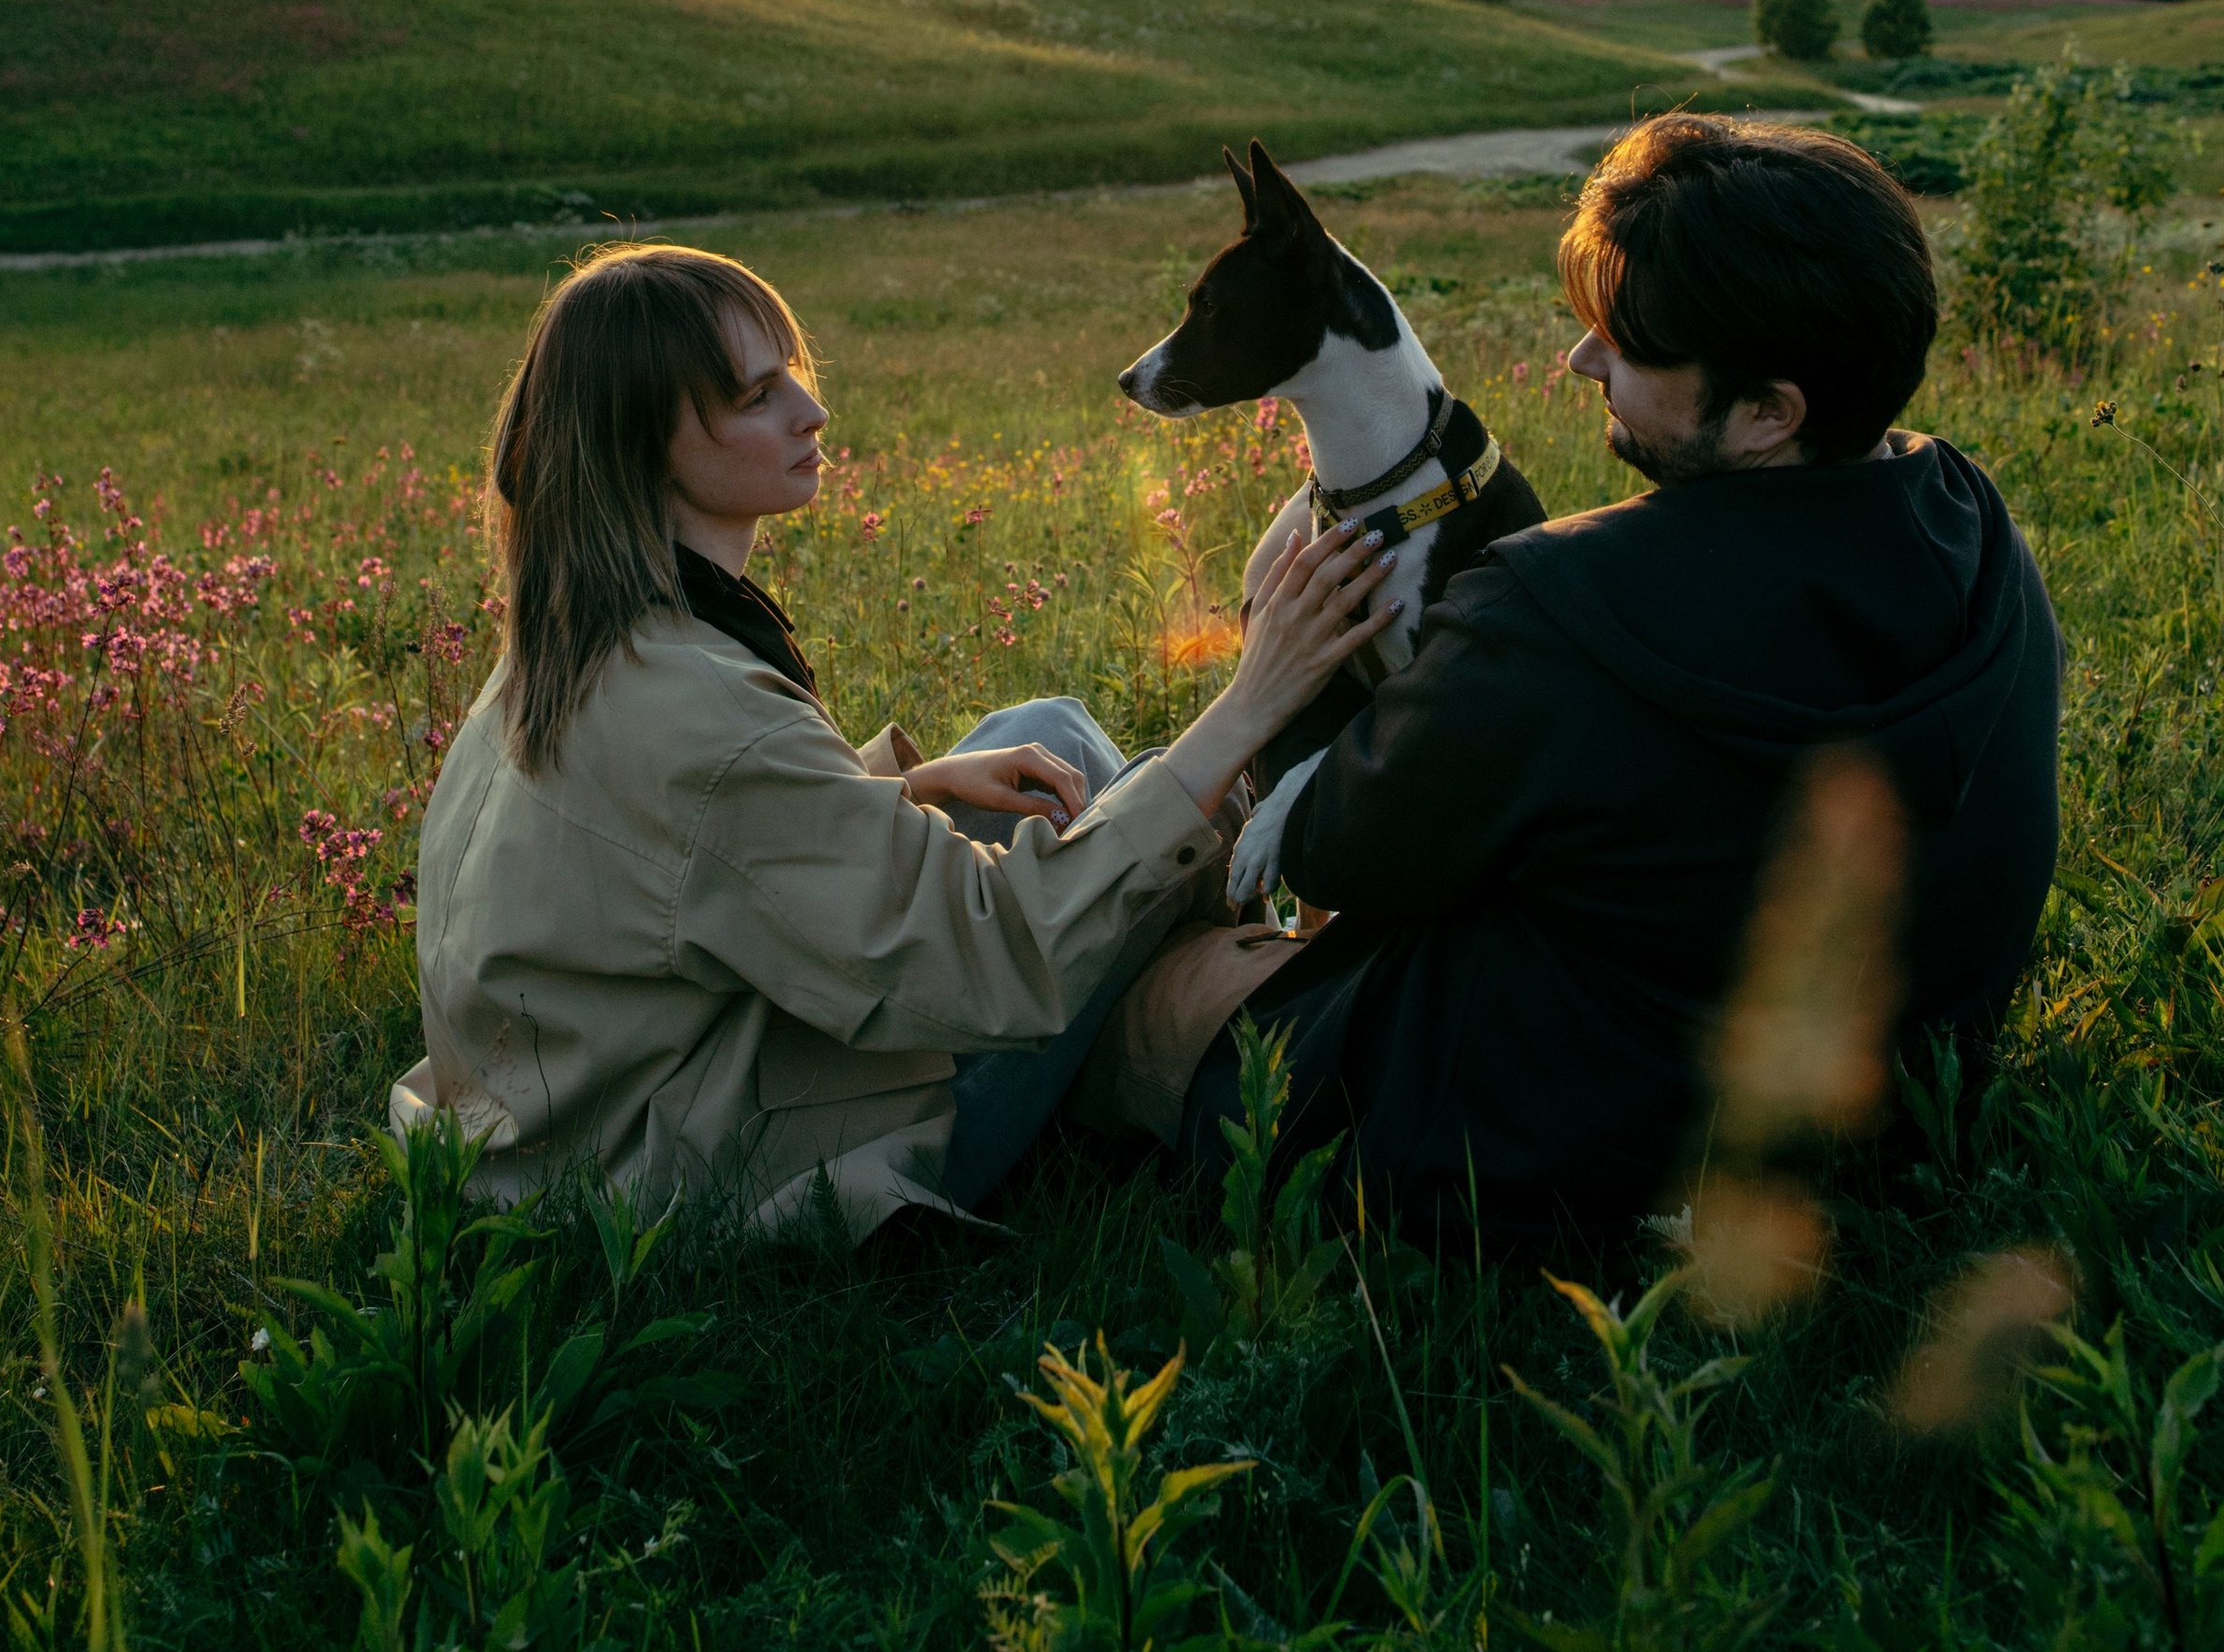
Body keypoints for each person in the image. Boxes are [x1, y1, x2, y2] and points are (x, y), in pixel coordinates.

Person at [1174, 114, 2064, 1243]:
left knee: (1145, 978)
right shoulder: (1973, 529)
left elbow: (1327, 850)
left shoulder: (1555, 616)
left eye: (1627, 344)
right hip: (1880, 1116)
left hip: (1511, 1149)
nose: (1581, 359)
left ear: (1765, 411)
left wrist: (1280, 655)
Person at [395, 241, 1395, 1237]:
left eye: (792, 370)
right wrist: (1248, 707)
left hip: (626, 1100)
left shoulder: (577, 641)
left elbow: (686, 868)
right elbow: (999, 964)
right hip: (727, 1167)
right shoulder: (700, 718)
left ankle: (1226, 964)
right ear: (641, 444)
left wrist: (907, 789)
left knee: (1042, 736)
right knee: (1137, 810)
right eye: (756, 396)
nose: (809, 411)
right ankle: (1291, 1010)